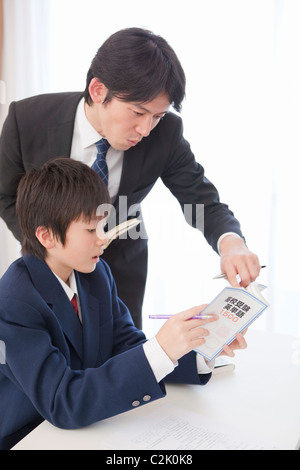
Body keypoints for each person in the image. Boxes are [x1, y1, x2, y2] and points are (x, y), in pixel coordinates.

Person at [0, 27, 260, 329]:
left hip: (121, 267)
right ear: (98, 91)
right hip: (48, 263)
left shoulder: (166, 135)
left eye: (157, 116)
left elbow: (201, 200)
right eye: (138, 112)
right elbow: (5, 195)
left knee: (125, 360)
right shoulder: (28, 119)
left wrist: (232, 244)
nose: (146, 129)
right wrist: (53, 248)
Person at [0, 158, 247, 450]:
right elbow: (62, 401)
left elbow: (126, 345)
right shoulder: (14, 300)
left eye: (103, 225)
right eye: (90, 230)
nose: (103, 239)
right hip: (30, 434)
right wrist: (162, 348)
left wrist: (199, 347)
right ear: (47, 236)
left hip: (90, 428)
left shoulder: (95, 274)